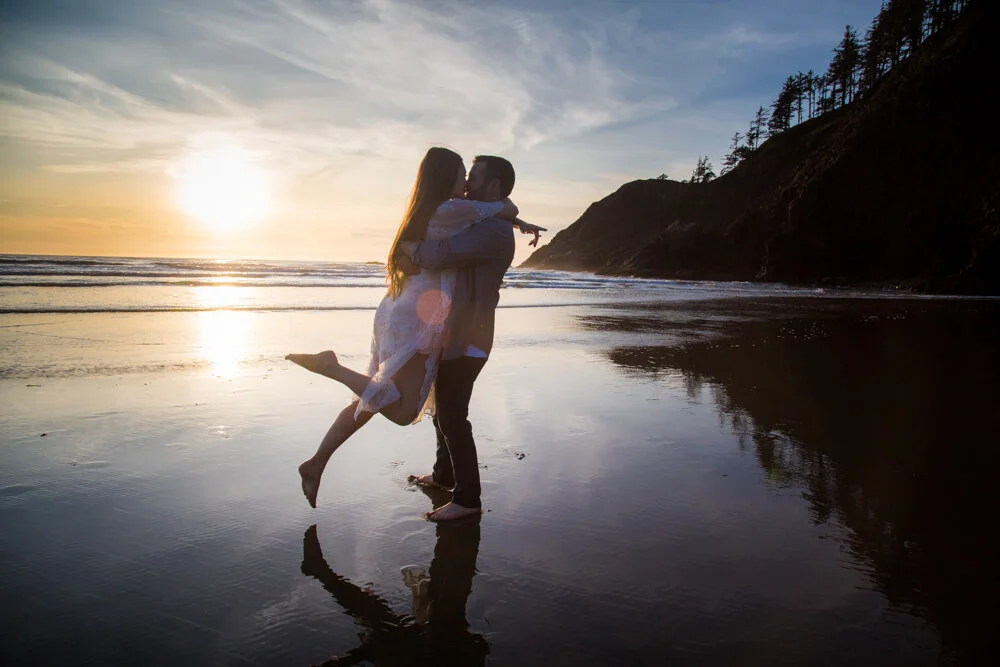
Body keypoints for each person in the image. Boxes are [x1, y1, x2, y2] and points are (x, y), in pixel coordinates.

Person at [286, 147, 542, 519]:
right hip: (434, 327)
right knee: (420, 407)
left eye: (473, 178)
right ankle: (441, 475)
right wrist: (513, 213)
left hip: (465, 337)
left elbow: (441, 253)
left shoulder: (489, 230)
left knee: (446, 413)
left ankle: (466, 499)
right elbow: (487, 215)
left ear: (495, 184)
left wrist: (411, 253)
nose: (467, 185)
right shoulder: (469, 215)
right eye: (462, 176)